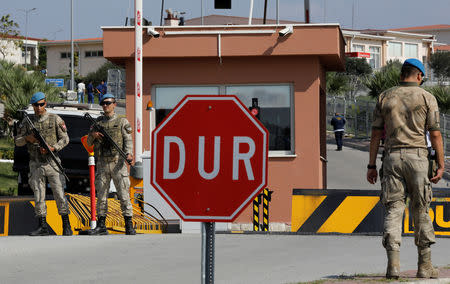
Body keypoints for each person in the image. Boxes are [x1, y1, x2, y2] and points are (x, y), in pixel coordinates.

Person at [366, 59, 443, 279]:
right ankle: (424, 265)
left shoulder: (385, 97)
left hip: (391, 159)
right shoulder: (427, 97)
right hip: (418, 159)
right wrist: (440, 163)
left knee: (394, 209)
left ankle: (393, 265)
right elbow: (435, 134)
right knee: (421, 209)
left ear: (402, 74)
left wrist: (371, 165)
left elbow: (374, 135)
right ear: (419, 76)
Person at [15, 92, 72, 236]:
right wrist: (28, 138)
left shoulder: (55, 119)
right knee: (38, 194)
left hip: (52, 162)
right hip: (35, 163)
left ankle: (66, 225)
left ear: (45, 103)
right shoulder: (28, 122)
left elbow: (65, 139)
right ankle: (42, 226)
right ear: (32, 106)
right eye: (36, 105)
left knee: (59, 193)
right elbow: (17, 141)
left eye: (41, 104)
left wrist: (53, 148)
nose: (39, 108)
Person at [87, 94, 136, 235]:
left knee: (123, 194)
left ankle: (129, 225)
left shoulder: (122, 122)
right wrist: (93, 135)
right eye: (103, 103)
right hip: (102, 163)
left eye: (108, 103)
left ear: (114, 104)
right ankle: (101, 225)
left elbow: (128, 140)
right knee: (101, 195)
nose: (105, 105)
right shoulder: (97, 123)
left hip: (117, 162)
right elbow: (89, 143)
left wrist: (129, 154)